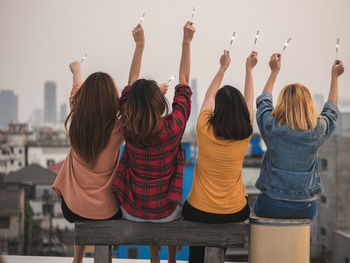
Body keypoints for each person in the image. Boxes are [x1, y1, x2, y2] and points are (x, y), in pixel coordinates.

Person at [112, 21, 195, 263]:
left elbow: (130, 86)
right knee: (168, 203)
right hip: (166, 213)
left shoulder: (128, 125)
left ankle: (154, 256)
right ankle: (169, 257)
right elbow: (184, 82)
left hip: (133, 211)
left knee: (146, 197)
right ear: (159, 104)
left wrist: (139, 46)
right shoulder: (173, 127)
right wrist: (186, 42)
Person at [182, 50, 258, 263]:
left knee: (193, 226)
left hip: (199, 209)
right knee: (219, 241)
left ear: (219, 109)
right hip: (233, 210)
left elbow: (208, 96)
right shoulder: (245, 132)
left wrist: (222, 68)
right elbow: (249, 102)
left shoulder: (204, 129)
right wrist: (249, 69)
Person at [254, 54, 345, 219]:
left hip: (271, 203)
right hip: (305, 206)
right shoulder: (317, 130)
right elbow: (331, 112)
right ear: (309, 105)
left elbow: (263, 103)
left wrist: (274, 72)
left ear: (283, 103)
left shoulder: (271, 126)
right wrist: (335, 77)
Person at [52, 62, 124, 263]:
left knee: (79, 183)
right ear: (112, 99)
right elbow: (130, 106)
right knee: (103, 200)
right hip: (107, 212)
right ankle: (105, 252)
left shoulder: (76, 121)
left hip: (73, 207)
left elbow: (75, 94)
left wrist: (76, 71)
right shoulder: (117, 130)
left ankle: (78, 259)